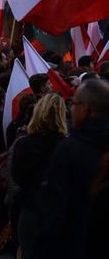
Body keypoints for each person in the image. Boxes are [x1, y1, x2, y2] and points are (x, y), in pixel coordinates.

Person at [36, 79, 109, 259]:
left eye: (74, 103)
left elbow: (55, 212)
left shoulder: (69, 150)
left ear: (86, 109)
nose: (70, 109)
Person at [10, 93, 67, 259]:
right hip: (57, 211)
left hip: (31, 209)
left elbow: (17, 177)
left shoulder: (24, 144)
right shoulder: (68, 146)